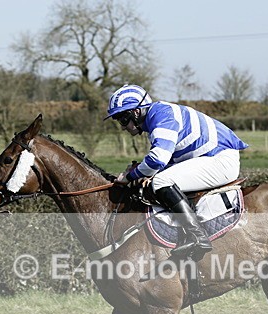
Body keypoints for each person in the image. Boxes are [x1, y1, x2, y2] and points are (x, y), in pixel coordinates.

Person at [105, 84, 248, 261]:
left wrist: (129, 177)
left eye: (122, 119)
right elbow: (165, 162)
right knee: (160, 179)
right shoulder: (157, 117)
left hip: (220, 160)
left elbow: (157, 159)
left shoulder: (161, 115)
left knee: (161, 182)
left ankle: (198, 236)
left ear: (135, 112)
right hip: (212, 158)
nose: (123, 126)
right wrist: (144, 172)